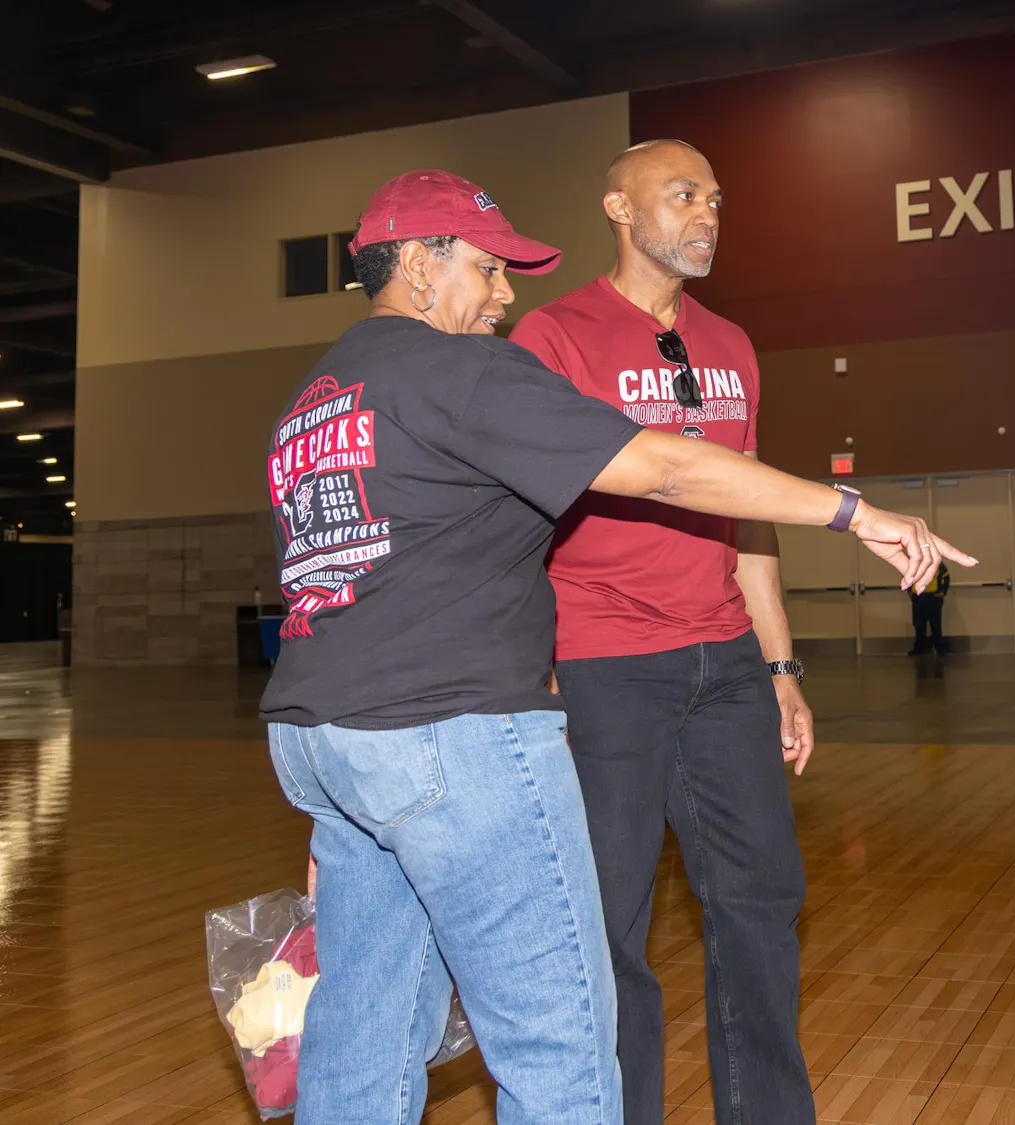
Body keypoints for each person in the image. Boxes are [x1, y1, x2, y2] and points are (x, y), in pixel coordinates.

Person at [260, 168, 974, 1125]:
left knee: (363, 1036)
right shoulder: (463, 371)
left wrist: (347, 806)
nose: (508, 294)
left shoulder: (313, 399)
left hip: (328, 742)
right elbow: (667, 469)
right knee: (559, 1039)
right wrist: (851, 511)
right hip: (458, 740)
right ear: (422, 267)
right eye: (488, 267)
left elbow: (348, 582)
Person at [509, 139, 869, 1124]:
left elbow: (748, 517)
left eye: (715, 197)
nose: (708, 212)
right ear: (619, 209)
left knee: (761, 903)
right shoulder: (554, 336)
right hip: (603, 667)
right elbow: (521, 518)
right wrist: (530, 665)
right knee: (609, 926)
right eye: (682, 195)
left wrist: (781, 664)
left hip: (724, 666)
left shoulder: (732, 343)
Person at [909, 560, 951, 654]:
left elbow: (946, 577)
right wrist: (911, 593)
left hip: (933, 597)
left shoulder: (937, 562)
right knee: (919, 624)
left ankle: (938, 647)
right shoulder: (914, 562)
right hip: (919, 597)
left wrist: (942, 591)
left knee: (935, 624)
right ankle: (920, 648)